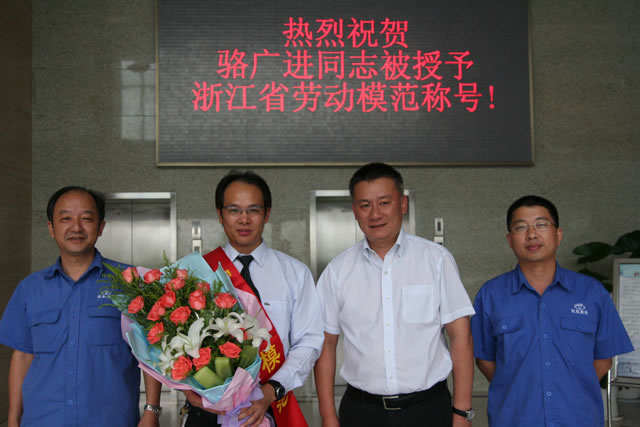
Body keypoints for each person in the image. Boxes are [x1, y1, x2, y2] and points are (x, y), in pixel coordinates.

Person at [314, 162, 476, 427]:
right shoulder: (337, 271)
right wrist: (328, 416)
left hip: (428, 409)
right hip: (362, 411)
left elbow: (461, 336)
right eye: (365, 205)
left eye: (384, 203)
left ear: (402, 204)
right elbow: (326, 344)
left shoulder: (436, 260)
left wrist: (462, 412)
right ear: (354, 210)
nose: (375, 214)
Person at [0, 186, 162, 427]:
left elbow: (149, 349)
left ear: (101, 227)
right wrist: (13, 418)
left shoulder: (129, 282)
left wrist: (151, 411)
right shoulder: (30, 288)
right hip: (43, 419)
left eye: (86, 218)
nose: (76, 227)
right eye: (65, 218)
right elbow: (23, 355)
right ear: (51, 228)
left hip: (110, 420)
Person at [471, 195, 634, 426]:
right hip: (515, 419)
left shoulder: (591, 292)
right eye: (521, 227)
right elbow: (484, 359)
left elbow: (603, 358)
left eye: (541, 224)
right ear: (510, 239)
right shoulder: (491, 295)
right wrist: (519, 386)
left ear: (558, 234)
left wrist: (571, 386)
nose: (532, 234)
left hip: (578, 419)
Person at [181, 171, 324, 427]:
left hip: (271, 405)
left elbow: (309, 341)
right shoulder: (197, 272)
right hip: (207, 409)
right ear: (220, 214)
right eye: (234, 210)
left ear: (267, 214)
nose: (244, 219)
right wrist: (185, 384)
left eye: (253, 210)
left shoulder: (295, 273)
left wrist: (271, 390)